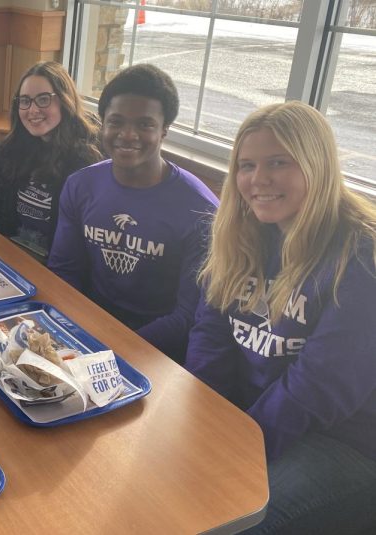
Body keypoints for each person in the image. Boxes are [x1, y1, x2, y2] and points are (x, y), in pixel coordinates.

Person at [186, 102, 376, 533]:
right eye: (247, 165)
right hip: (252, 420)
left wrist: (237, 447)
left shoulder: (361, 256)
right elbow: (210, 334)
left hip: (339, 440)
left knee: (224, 523)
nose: (259, 180)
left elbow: (321, 386)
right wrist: (204, 421)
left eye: (278, 163)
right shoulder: (241, 232)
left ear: (317, 164)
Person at [47, 64, 218, 363]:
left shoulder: (200, 209)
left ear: (164, 129)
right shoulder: (81, 186)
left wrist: (115, 349)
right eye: (116, 122)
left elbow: (188, 316)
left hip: (158, 353)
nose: (128, 135)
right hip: (87, 333)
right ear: (102, 124)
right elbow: (64, 273)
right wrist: (74, 333)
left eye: (144, 124)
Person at [0, 61, 103, 262]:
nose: (32, 110)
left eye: (43, 99)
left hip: (56, 270)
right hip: (14, 258)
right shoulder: (13, 151)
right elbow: (0, 217)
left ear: (65, 100)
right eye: (25, 101)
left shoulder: (86, 163)